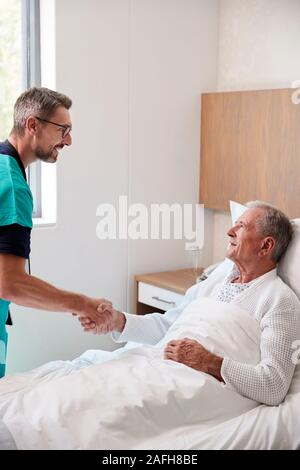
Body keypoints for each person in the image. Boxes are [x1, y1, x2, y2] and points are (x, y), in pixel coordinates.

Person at [80, 202, 300, 406]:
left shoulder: (280, 301)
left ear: (266, 246)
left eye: (241, 227)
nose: (229, 232)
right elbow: (168, 327)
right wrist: (117, 321)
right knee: (82, 392)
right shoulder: (214, 282)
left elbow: (273, 385)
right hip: (157, 365)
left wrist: (208, 361)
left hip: (192, 387)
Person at [0, 87, 110, 378]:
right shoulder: (12, 187)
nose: (69, 141)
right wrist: (82, 304)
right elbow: (9, 283)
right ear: (32, 125)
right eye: (64, 130)